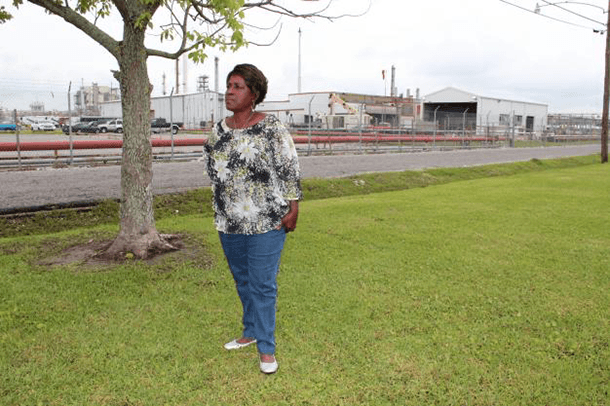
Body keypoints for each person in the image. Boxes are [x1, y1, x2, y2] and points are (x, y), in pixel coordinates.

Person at [204, 63, 302, 374]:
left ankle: (267, 349)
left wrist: (293, 207)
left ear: (254, 93)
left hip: (267, 221)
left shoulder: (272, 127)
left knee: (262, 284)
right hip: (229, 221)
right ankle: (249, 332)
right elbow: (211, 167)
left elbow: (289, 167)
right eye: (228, 87)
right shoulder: (218, 130)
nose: (229, 92)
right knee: (243, 280)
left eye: (237, 87)